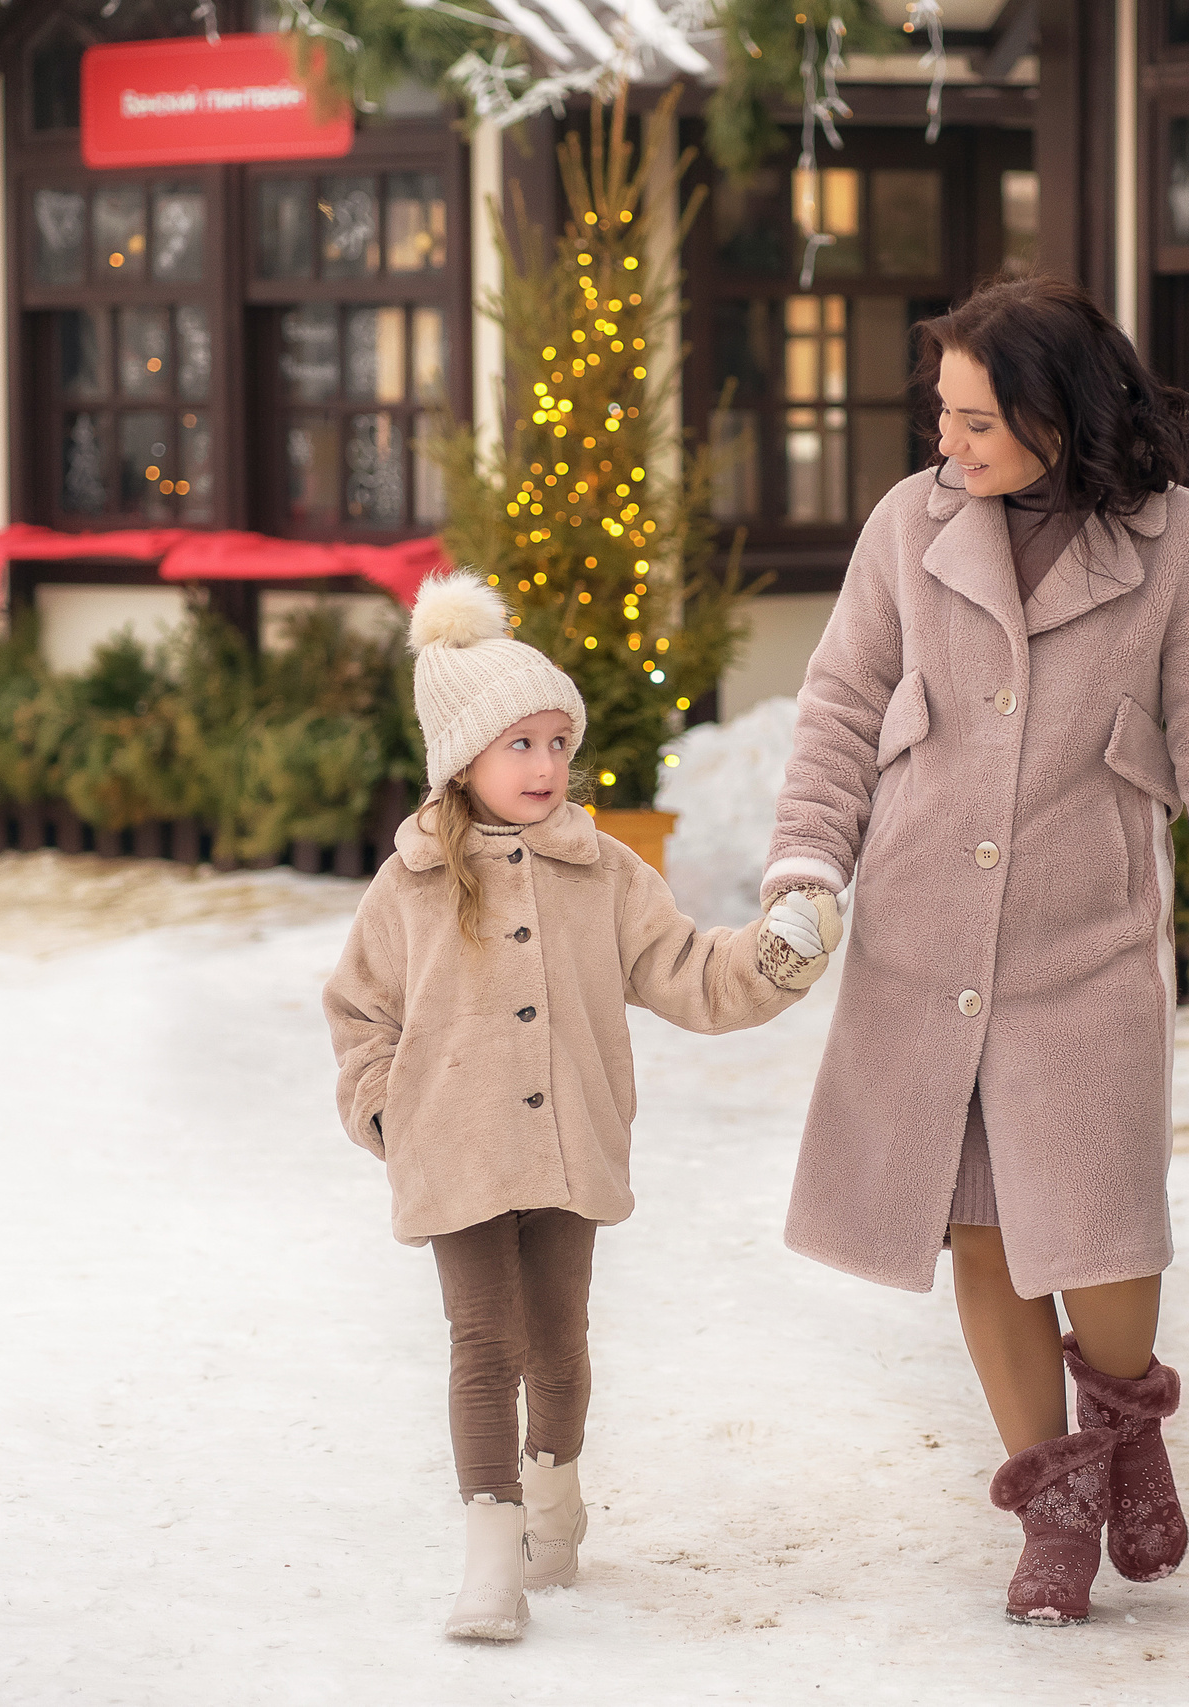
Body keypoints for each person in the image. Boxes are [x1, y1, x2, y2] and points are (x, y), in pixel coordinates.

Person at [757, 274, 1189, 1626]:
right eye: (942, 414)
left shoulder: (1180, 545)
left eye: (976, 419)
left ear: (1056, 414)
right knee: (982, 1227)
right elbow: (840, 707)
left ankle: (1124, 1418)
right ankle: (1053, 1500)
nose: (947, 442)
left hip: (1083, 945)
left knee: (1102, 1224)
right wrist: (807, 867)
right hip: (922, 939)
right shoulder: (908, 525)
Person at [323, 571, 839, 1642]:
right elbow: (359, 1010)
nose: (547, 764)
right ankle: (489, 1562)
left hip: (568, 1147)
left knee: (557, 1343)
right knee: (483, 1343)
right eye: (521, 744)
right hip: (455, 1151)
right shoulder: (411, 882)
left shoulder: (602, 871)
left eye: (559, 742)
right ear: (463, 758)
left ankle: (553, 1507)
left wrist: (774, 957)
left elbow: (690, 971)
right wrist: (386, 1115)